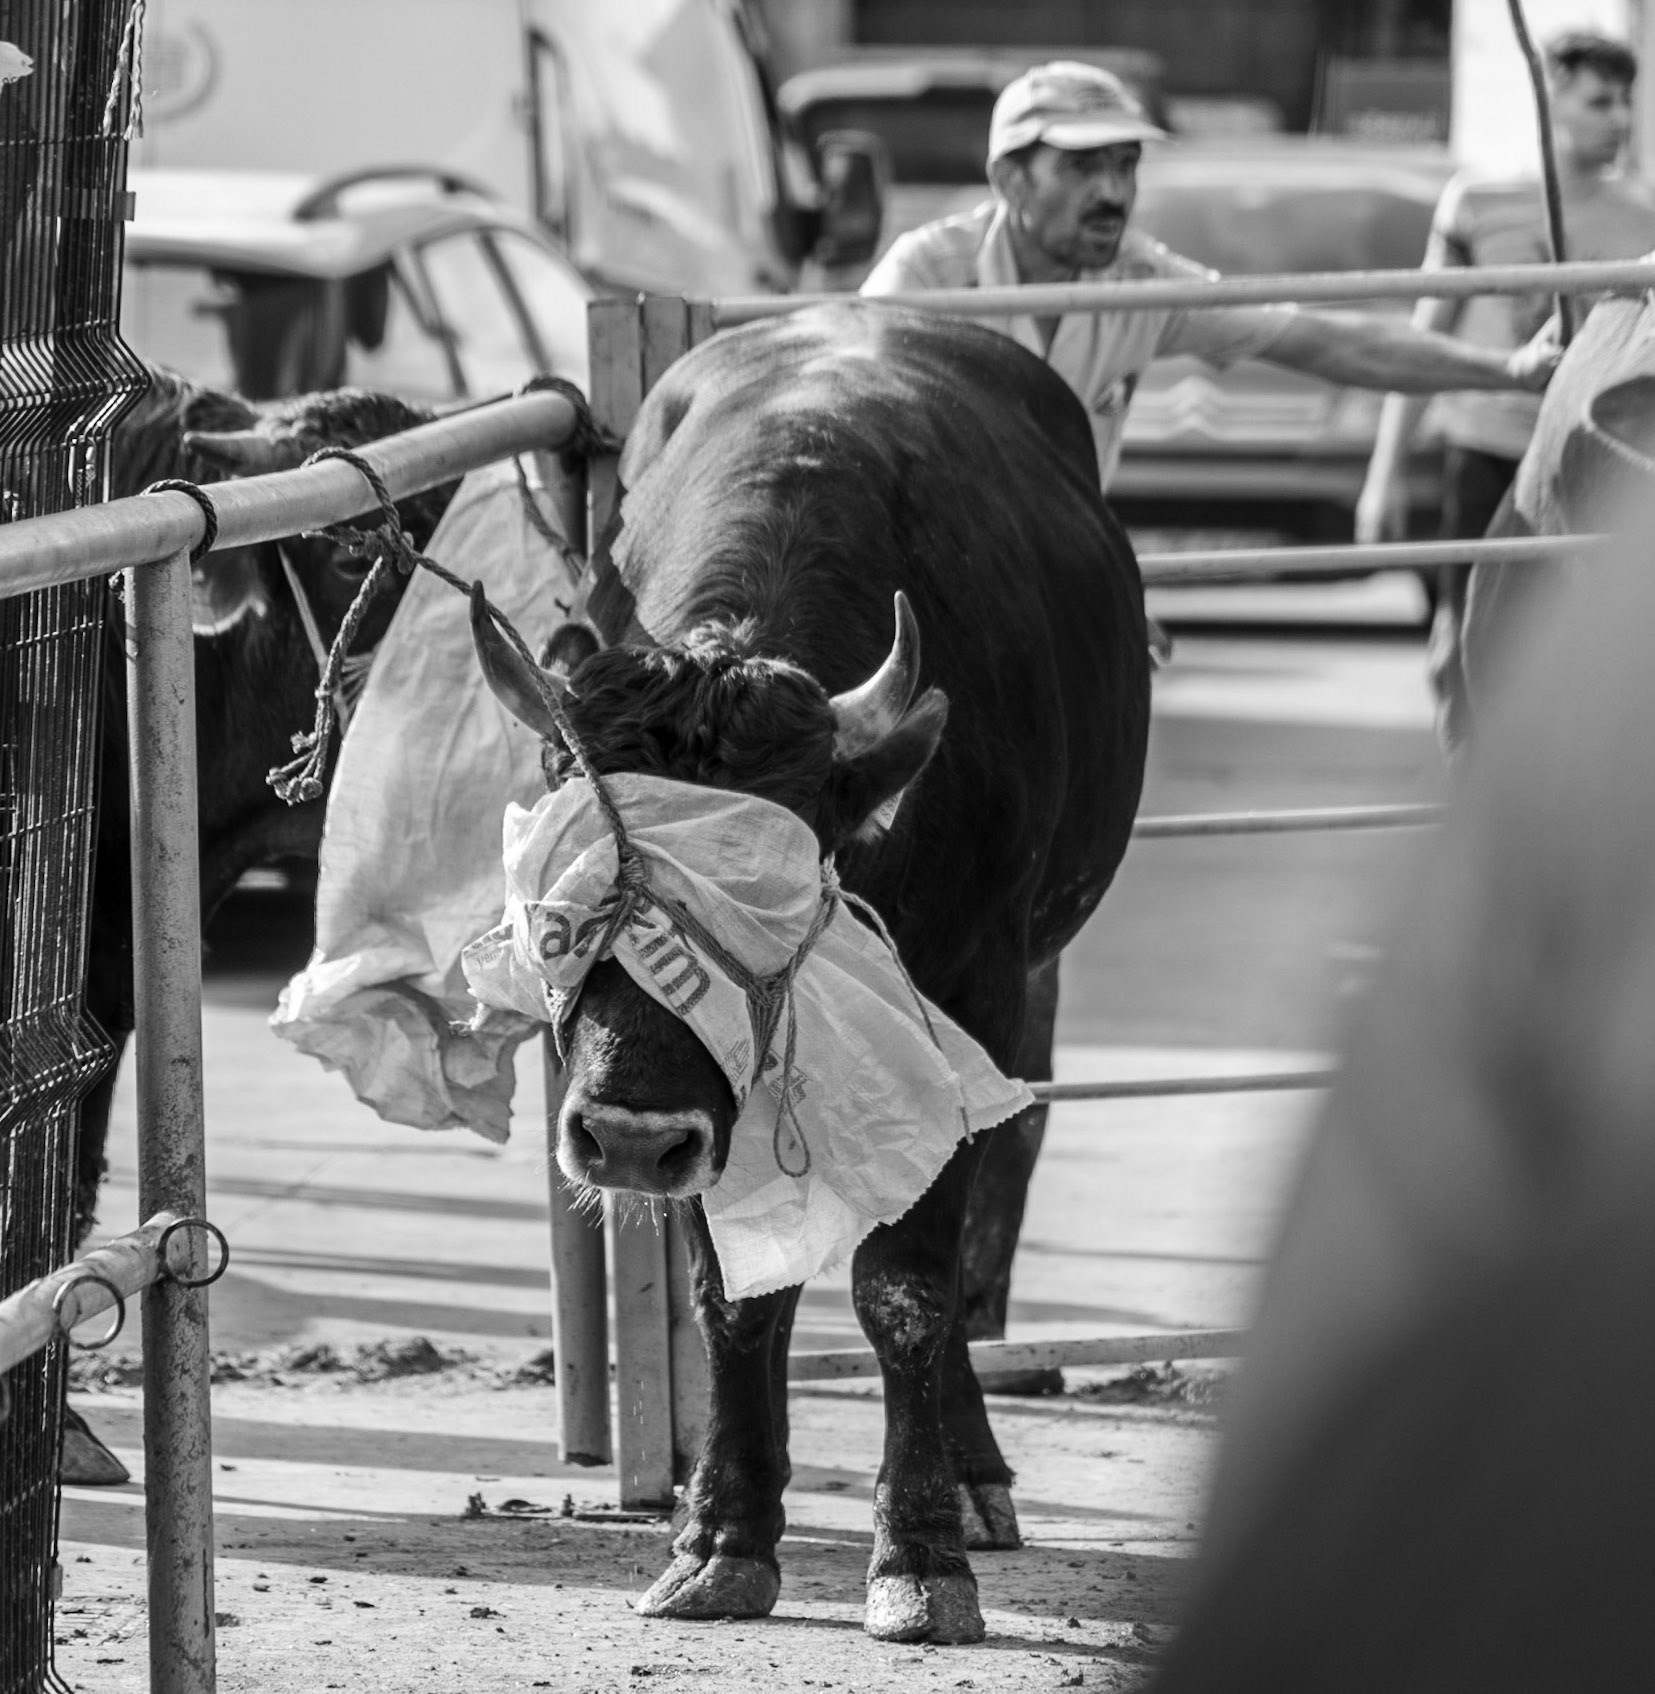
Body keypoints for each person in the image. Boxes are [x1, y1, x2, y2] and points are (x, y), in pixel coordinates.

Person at [862, 59, 1561, 498]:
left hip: (1052, 567)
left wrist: (1509, 367)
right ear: (1008, 179)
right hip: (926, 568)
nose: (1111, 192)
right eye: (1080, 168)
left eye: (1125, 164)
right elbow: (847, 427)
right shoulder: (924, 278)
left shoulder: (1145, 279)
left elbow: (1326, 342)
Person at [1357, 29, 1655, 758]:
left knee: (1581, 663)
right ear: (1546, 96)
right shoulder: (1476, 202)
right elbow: (1427, 337)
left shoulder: (1642, 218)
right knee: (1463, 654)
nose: (1618, 119)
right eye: (1598, 102)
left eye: (1625, 103)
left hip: (1592, 467)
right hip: (1486, 451)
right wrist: (1382, 475)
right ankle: (1472, 804)